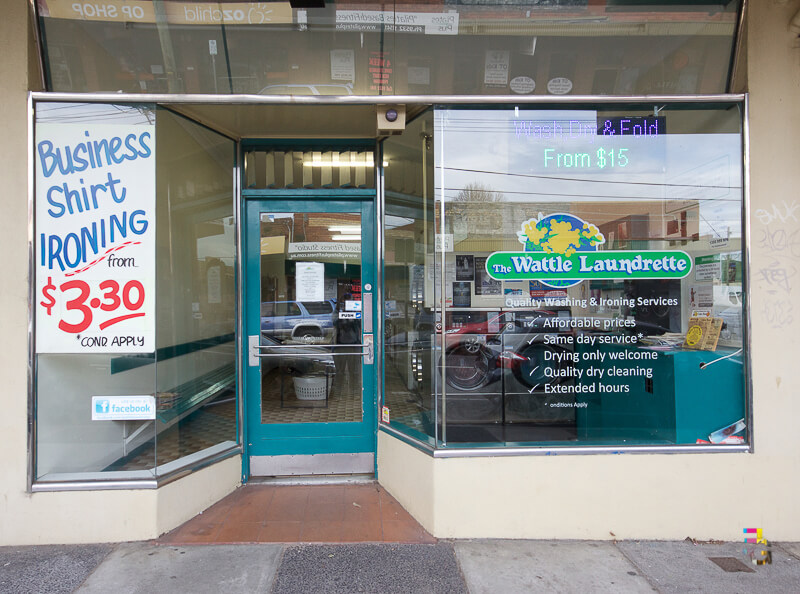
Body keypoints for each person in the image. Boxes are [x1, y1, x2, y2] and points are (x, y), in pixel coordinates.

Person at [334, 293, 362, 396]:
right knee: (340, 371)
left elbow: (361, 323)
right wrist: (343, 316)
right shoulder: (337, 311)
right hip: (340, 345)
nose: (347, 305)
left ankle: (355, 391)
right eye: (345, 303)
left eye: (349, 302)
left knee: (354, 370)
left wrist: (353, 316)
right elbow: (334, 322)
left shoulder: (356, 312)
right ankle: (338, 391)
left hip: (354, 345)